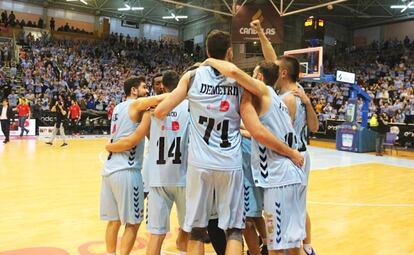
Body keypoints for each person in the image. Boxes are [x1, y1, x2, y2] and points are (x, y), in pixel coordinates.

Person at [155, 30, 303, 255]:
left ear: (207, 51)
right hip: (230, 164)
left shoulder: (192, 76)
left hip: (200, 164)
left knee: (197, 230)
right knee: (234, 230)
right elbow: (255, 124)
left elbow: (161, 110)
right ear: (230, 52)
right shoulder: (240, 82)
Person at [202, 58, 306, 255]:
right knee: (292, 245)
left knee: (276, 247)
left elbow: (233, 72)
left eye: (252, 75)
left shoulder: (263, 91)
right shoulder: (276, 100)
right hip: (291, 177)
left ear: (258, 77)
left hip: (280, 179)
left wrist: (210, 61)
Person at [251, 19, 318, 255]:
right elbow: (272, 60)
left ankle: (301, 245)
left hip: (289, 157)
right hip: (300, 154)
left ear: (283, 72)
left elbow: (276, 134)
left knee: (289, 211)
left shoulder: (285, 98)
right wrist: (260, 31)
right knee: (298, 205)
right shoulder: (296, 92)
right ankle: (306, 245)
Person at [107, 71, 190, 254]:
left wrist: (110, 146)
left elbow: (146, 136)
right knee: (188, 231)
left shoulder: (150, 110)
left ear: (163, 87)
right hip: (183, 176)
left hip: (157, 176)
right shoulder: (190, 107)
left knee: (156, 235)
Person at [100, 76, 154, 255]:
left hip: (109, 170)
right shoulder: (136, 106)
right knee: (134, 221)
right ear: (133, 90)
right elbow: (131, 140)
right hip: (127, 171)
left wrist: (110, 147)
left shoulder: (117, 107)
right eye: (145, 87)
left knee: (113, 221)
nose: (147, 91)